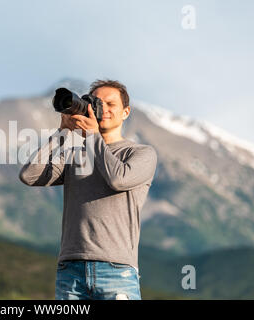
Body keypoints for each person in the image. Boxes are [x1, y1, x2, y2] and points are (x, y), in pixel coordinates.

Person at [19, 79, 157, 300]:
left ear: (126, 112)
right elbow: (30, 175)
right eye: (96, 103)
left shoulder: (141, 153)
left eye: (110, 104)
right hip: (71, 270)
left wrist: (92, 137)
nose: (103, 109)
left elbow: (118, 179)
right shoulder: (75, 154)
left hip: (116, 270)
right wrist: (62, 132)